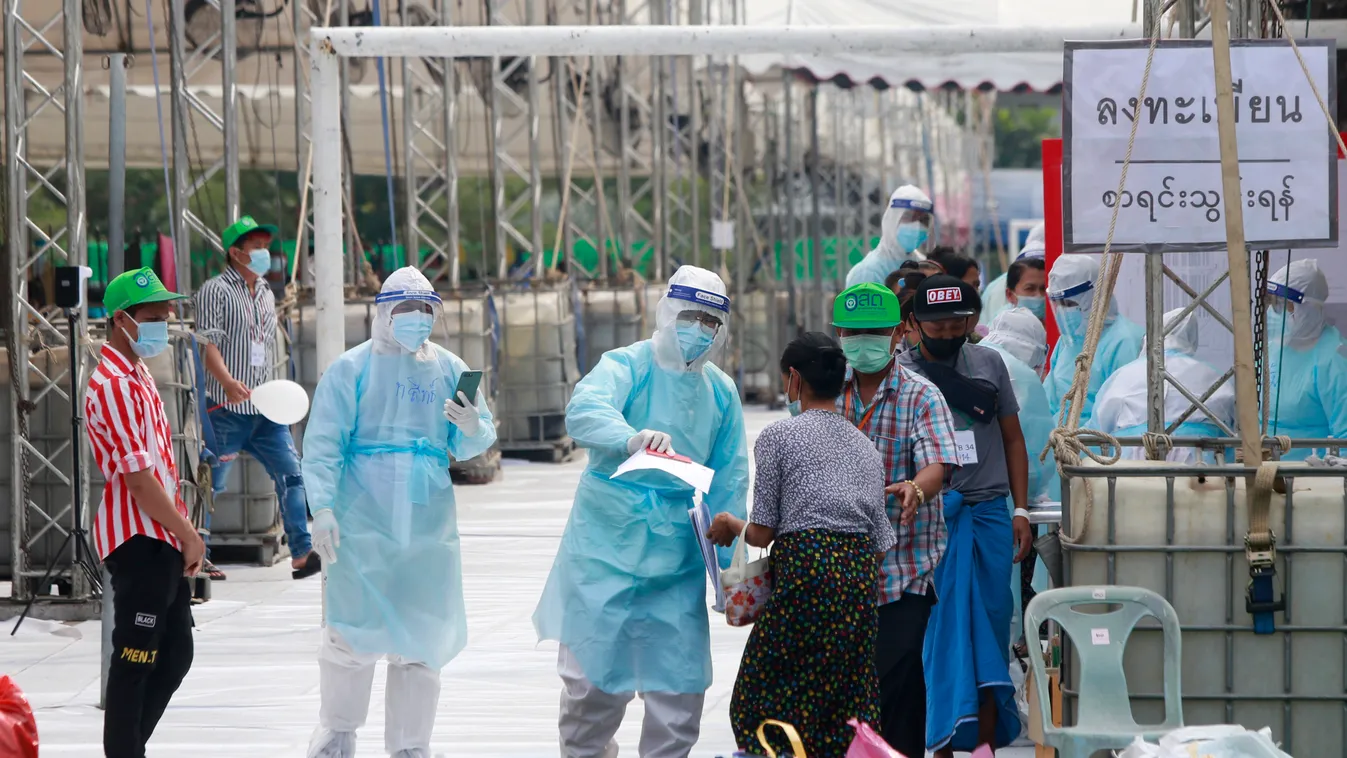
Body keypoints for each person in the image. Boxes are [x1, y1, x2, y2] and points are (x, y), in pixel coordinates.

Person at [533, 265, 751, 758]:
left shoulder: (720, 391)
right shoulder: (627, 365)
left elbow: (731, 482)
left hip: (677, 559)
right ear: (668, 311)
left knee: (677, 694)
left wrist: (728, 572)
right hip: (604, 551)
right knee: (591, 686)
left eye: (711, 321)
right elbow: (585, 408)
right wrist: (627, 437)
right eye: (691, 316)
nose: (699, 329)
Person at [302, 267, 496, 758]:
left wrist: (473, 426)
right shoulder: (351, 369)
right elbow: (323, 445)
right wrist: (322, 507)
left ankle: (412, 746)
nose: (415, 320)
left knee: (422, 636)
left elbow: (473, 440)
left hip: (427, 518)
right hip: (360, 516)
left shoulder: (450, 368)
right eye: (405, 311)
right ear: (384, 314)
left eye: (424, 310)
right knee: (351, 631)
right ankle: (337, 738)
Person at [706, 332, 894, 758]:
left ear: (793, 379)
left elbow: (762, 533)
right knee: (844, 695)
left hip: (807, 573)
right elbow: (881, 542)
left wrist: (729, 524)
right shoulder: (865, 446)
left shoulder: (779, 437)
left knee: (761, 693)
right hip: (859, 580)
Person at [895, 275, 1032, 756]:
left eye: (959, 323)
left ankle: (986, 740)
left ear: (973, 321)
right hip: (931, 520)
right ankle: (942, 741)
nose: (949, 333)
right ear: (914, 324)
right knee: (936, 633)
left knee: (993, 624)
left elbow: (1014, 440)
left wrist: (1021, 509)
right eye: (938, 325)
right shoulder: (901, 375)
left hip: (991, 514)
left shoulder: (989, 364)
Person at [832, 282, 959, 758]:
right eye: (852, 332)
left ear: (899, 332)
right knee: (844, 697)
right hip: (838, 573)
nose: (862, 341)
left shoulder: (921, 396)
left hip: (902, 570)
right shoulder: (825, 391)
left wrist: (916, 488)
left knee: (896, 686)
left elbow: (938, 464)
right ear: (839, 335)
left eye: (875, 331)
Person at [88, 268, 203, 758]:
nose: (167, 322)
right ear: (121, 320)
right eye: (155, 317)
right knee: (135, 658)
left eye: (168, 312)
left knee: (176, 654)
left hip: (161, 537)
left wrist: (182, 535)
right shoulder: (113, 382)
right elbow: (137, 480)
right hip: (139, 540)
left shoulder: (135, 374)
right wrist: (188, 535)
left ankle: (130, 748)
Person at [193, 215, 317, 581]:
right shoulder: (214, 291)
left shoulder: (264, 291)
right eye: (257, 247)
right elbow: (207, 346)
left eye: (266, 246)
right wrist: (228, 382)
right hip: (226, 408)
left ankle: (301, 552)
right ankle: (197, 557)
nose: (265, 253)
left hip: (265, 409)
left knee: (292, 475)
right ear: (235, 252)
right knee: (211, 484)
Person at [981, 307, 1055, 652]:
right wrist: (1026, 505)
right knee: (1000, 604)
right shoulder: (1023, 378)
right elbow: (1038, 460)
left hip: (951, 503)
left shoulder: (972, 360)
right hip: (1002, 505)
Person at [1092, 308, 1237, 464]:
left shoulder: (1121, 377)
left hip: (1132, 467)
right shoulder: (1214, 377)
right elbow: (1232, 427)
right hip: (1200, 466)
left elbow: (1097, 430)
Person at [1044, 253, 1145, 425]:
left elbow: (1124, 411)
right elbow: (1049, 401)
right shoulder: (1067, 342)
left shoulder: (1125, 341)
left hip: (1100, 448)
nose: (1063, 311)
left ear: (1093, 298)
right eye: (1058, 304)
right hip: (1061, 444)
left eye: (1069, 304)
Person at [1264, 259, 1347, 460]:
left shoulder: (1334, 360)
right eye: (1272, 303)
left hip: (1308, 481)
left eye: (1286, 305)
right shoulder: (1273, 348)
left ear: (1309, 307)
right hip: (1264, 473)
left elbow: (1344, 440)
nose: (1275, 313)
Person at [846, 185, 935, 287]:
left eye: (924, 220)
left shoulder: (923, 265)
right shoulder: (867, 273)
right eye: (909, 217)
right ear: (892, 219)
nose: (918, 226)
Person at [980, 223, 1047, 328]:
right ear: (1010, 295)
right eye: (1030, 288)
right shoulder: (999, 327)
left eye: (1044, 288)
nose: (1039, 296)